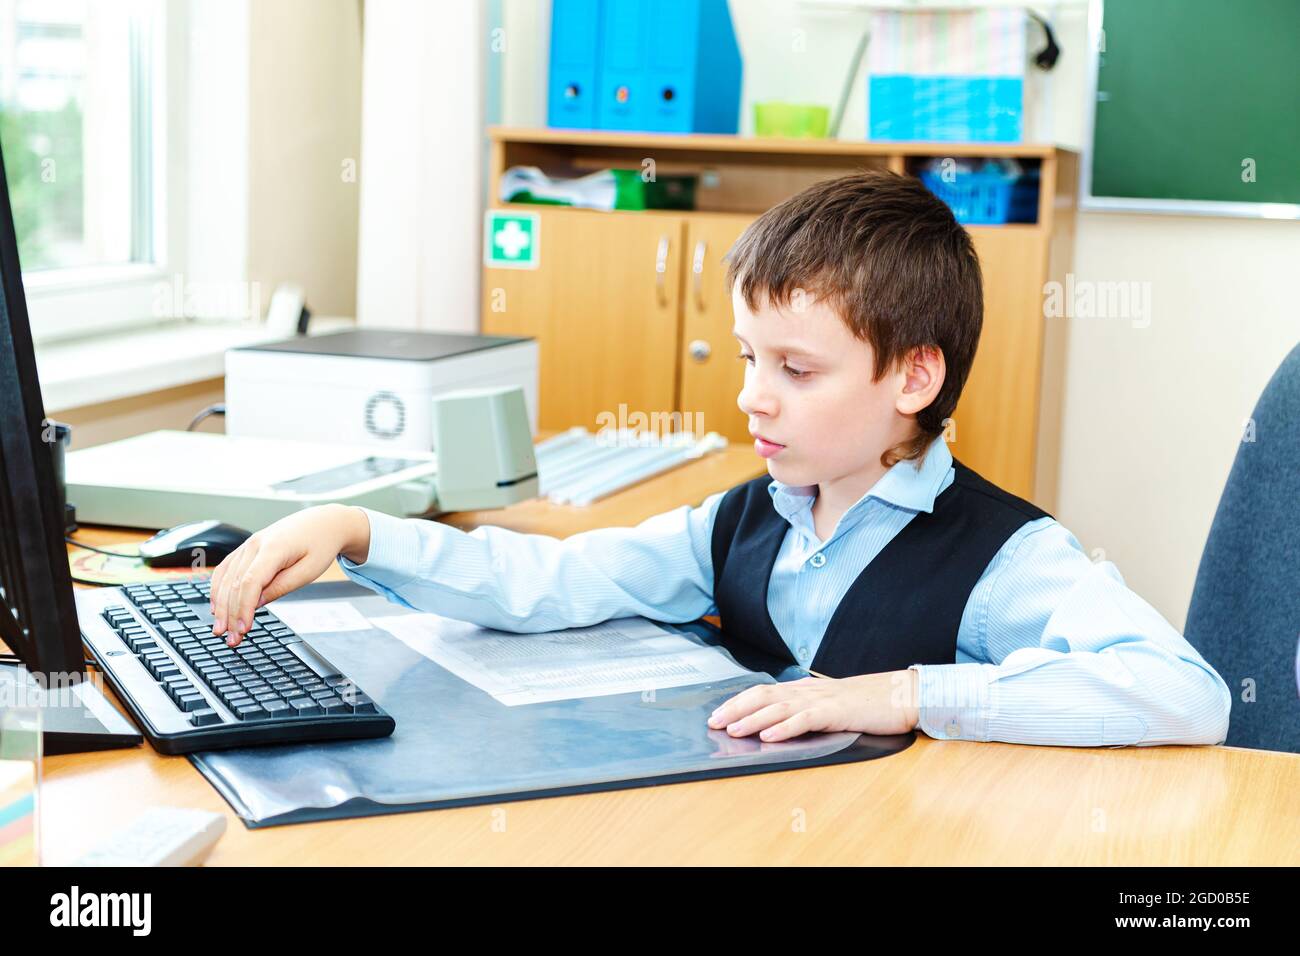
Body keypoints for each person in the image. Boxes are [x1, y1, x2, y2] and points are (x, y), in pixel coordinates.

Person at [207, 171, 1230, 748]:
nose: (749, 393)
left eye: (795, 366)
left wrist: (908, 692)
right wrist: (357, 530)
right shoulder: (745, 519)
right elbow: (556, 579)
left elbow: (1185, 692)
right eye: (748, 356)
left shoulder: (1000, 554)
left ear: (912, 379)